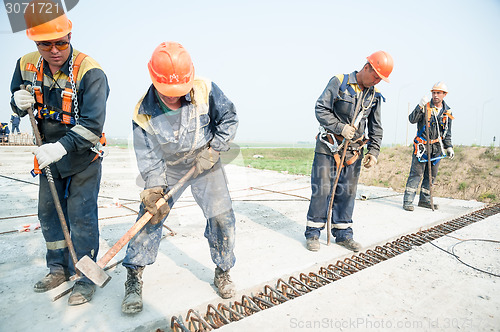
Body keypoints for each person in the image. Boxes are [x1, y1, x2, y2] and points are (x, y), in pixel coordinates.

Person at [121, 41, 238, 314]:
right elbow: (149, 158)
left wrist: (215, 149)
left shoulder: (205, 89)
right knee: (150, 216)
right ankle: (133, 275)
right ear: (154, 80)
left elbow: (229, 119)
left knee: (222, 216)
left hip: (205, 161)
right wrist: (153, 190)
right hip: (168, 167)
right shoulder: (143, 112)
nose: (173, 97)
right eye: (167, 92)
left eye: (178, 91)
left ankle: (223, 270)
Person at [9, 0, 109, 305]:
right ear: (36, 43)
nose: (54, 50)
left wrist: (60, 148)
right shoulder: (26, 64)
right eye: (45, 44)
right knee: (49, 212)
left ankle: (86, 275)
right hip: (47, 154)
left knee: (81, 217)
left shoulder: (90, 72)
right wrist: (16, 102)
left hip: (82, 155)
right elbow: (18, 102)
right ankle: (58, 267)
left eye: (60, 43)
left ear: (70, 38)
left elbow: (92, 125)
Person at [305, 51, 393, 252]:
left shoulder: (374, 95)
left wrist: (374, 151)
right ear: (367, 67)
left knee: (347, 193)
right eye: (376, 76)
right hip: (328, 147)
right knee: (322, 190)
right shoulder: (340, 82)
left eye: (380, 79)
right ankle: (313, 233)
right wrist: (340, 127)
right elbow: (320, 109)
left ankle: (344, 234)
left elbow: (376, 127)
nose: (376, 81)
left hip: (353, 152)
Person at [403, 82, 454, 211]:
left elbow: (447, 132)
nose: (435, 95)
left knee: (431, 176)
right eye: (434, 92)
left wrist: (449, 147)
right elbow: (412, 119)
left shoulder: (447, 112)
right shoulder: (425, 107)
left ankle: (425, 200)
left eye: (438, 93)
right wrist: (419, 106)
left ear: (444, 94)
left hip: (437, 148)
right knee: (416, 174)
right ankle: (408, 201)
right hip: (422, 147)